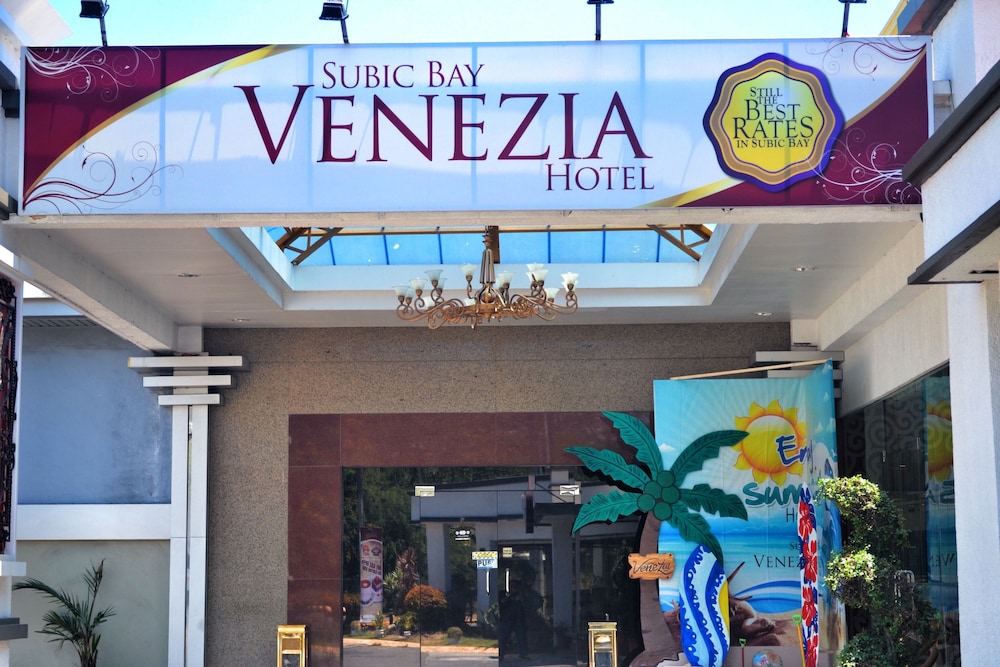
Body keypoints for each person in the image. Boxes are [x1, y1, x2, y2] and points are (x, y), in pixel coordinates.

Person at [498, 585, 528, 660]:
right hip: (507, 619)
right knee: (504, 637)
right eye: (514, 587)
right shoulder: (503, 594)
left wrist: (520, 596)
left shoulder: (520, 596)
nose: (515, 589)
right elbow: (502, 601)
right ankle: (501, 654)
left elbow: (524, 606)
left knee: (521, 637)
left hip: (518, 619)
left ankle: (523, 654)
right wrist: (511, 595)